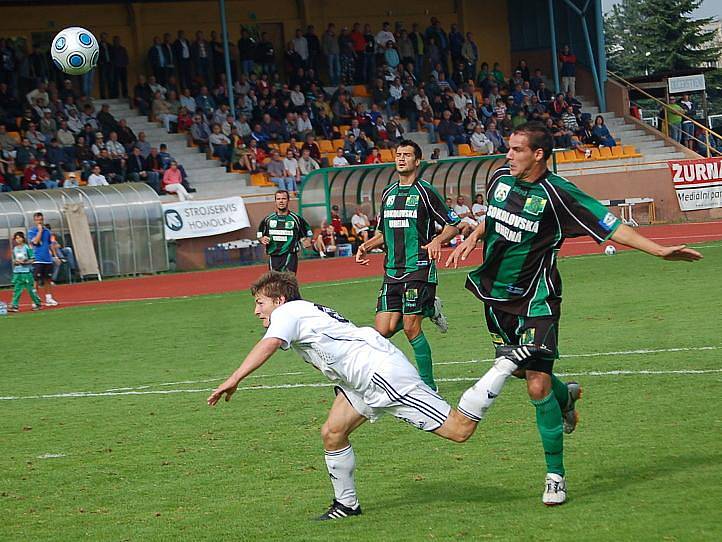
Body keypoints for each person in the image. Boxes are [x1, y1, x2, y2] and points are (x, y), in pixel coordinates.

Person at [446, 122, 703, 505]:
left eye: (517, 149)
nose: (508, 155)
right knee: (518, 371)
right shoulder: (501, 177)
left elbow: (610, 225)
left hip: (538, 298)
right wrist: (473, 235)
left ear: (539, 154)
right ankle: (566, 398)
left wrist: (659, 251)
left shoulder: (558, 194)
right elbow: (495, 215)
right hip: (495, 297)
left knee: (536, 385)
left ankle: (555, 476)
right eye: (508, 148)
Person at [208, 271, 532, 520]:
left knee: (459, 430)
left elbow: (269, 344)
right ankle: (346, 505)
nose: (256, 311)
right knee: (333, 433)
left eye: (259, 302)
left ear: (278, 300)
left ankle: (504, 364)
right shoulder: (302, 311)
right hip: (361, 381)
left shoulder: (287, 313)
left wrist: (234, 378)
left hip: (381, 376)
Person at [355, 140, 461, 391]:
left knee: (411, 329)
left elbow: (453, 224)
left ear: (417, 161)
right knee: (384, 329)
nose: (401, 159)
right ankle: (429, 308)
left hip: (418, 267)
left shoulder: (425, 191)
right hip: (392, 270)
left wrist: (437, 240)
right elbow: (382, 233)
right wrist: (366, 246)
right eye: (398, 154)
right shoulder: (388, 194)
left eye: (407, 155)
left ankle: (428, 386)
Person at [257, 190, 313, 273]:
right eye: (278, 199)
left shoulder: (296, 219)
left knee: (287, 281)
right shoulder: (268, 219)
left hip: (290, 255)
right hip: (273, 256)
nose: (281, 201)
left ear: (288, 200)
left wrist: (308, 240)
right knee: (275, 283)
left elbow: (308, 232)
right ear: (275, 201)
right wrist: (262, 239)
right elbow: (259, 234)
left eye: (284, 198)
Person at [28, 212, 60, 306]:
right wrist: (40, 231)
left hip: (47, 259)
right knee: (36, 280)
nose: (39, 222)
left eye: (41, 220)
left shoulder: (48, 231)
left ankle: (48, 298)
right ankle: (35, 300)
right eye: (37, 220)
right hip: (38, 259)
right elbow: (35, 242)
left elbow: (51, 244)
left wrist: (55, 256)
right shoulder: (32, 231)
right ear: (34, 220)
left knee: (47, 279)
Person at [8, 231, 42, 312]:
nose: (18, 239)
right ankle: (14, 305)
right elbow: (14, 259)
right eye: (16, 238)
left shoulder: (27, 247)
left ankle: (37, 303)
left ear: (23, 238)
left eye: (19, 237)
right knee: (17, 289)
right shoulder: (15, 249)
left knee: (30, 289)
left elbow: (33, 259)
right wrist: (15, 262)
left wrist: (25, 262)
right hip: (17, 271)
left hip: (26, 272)